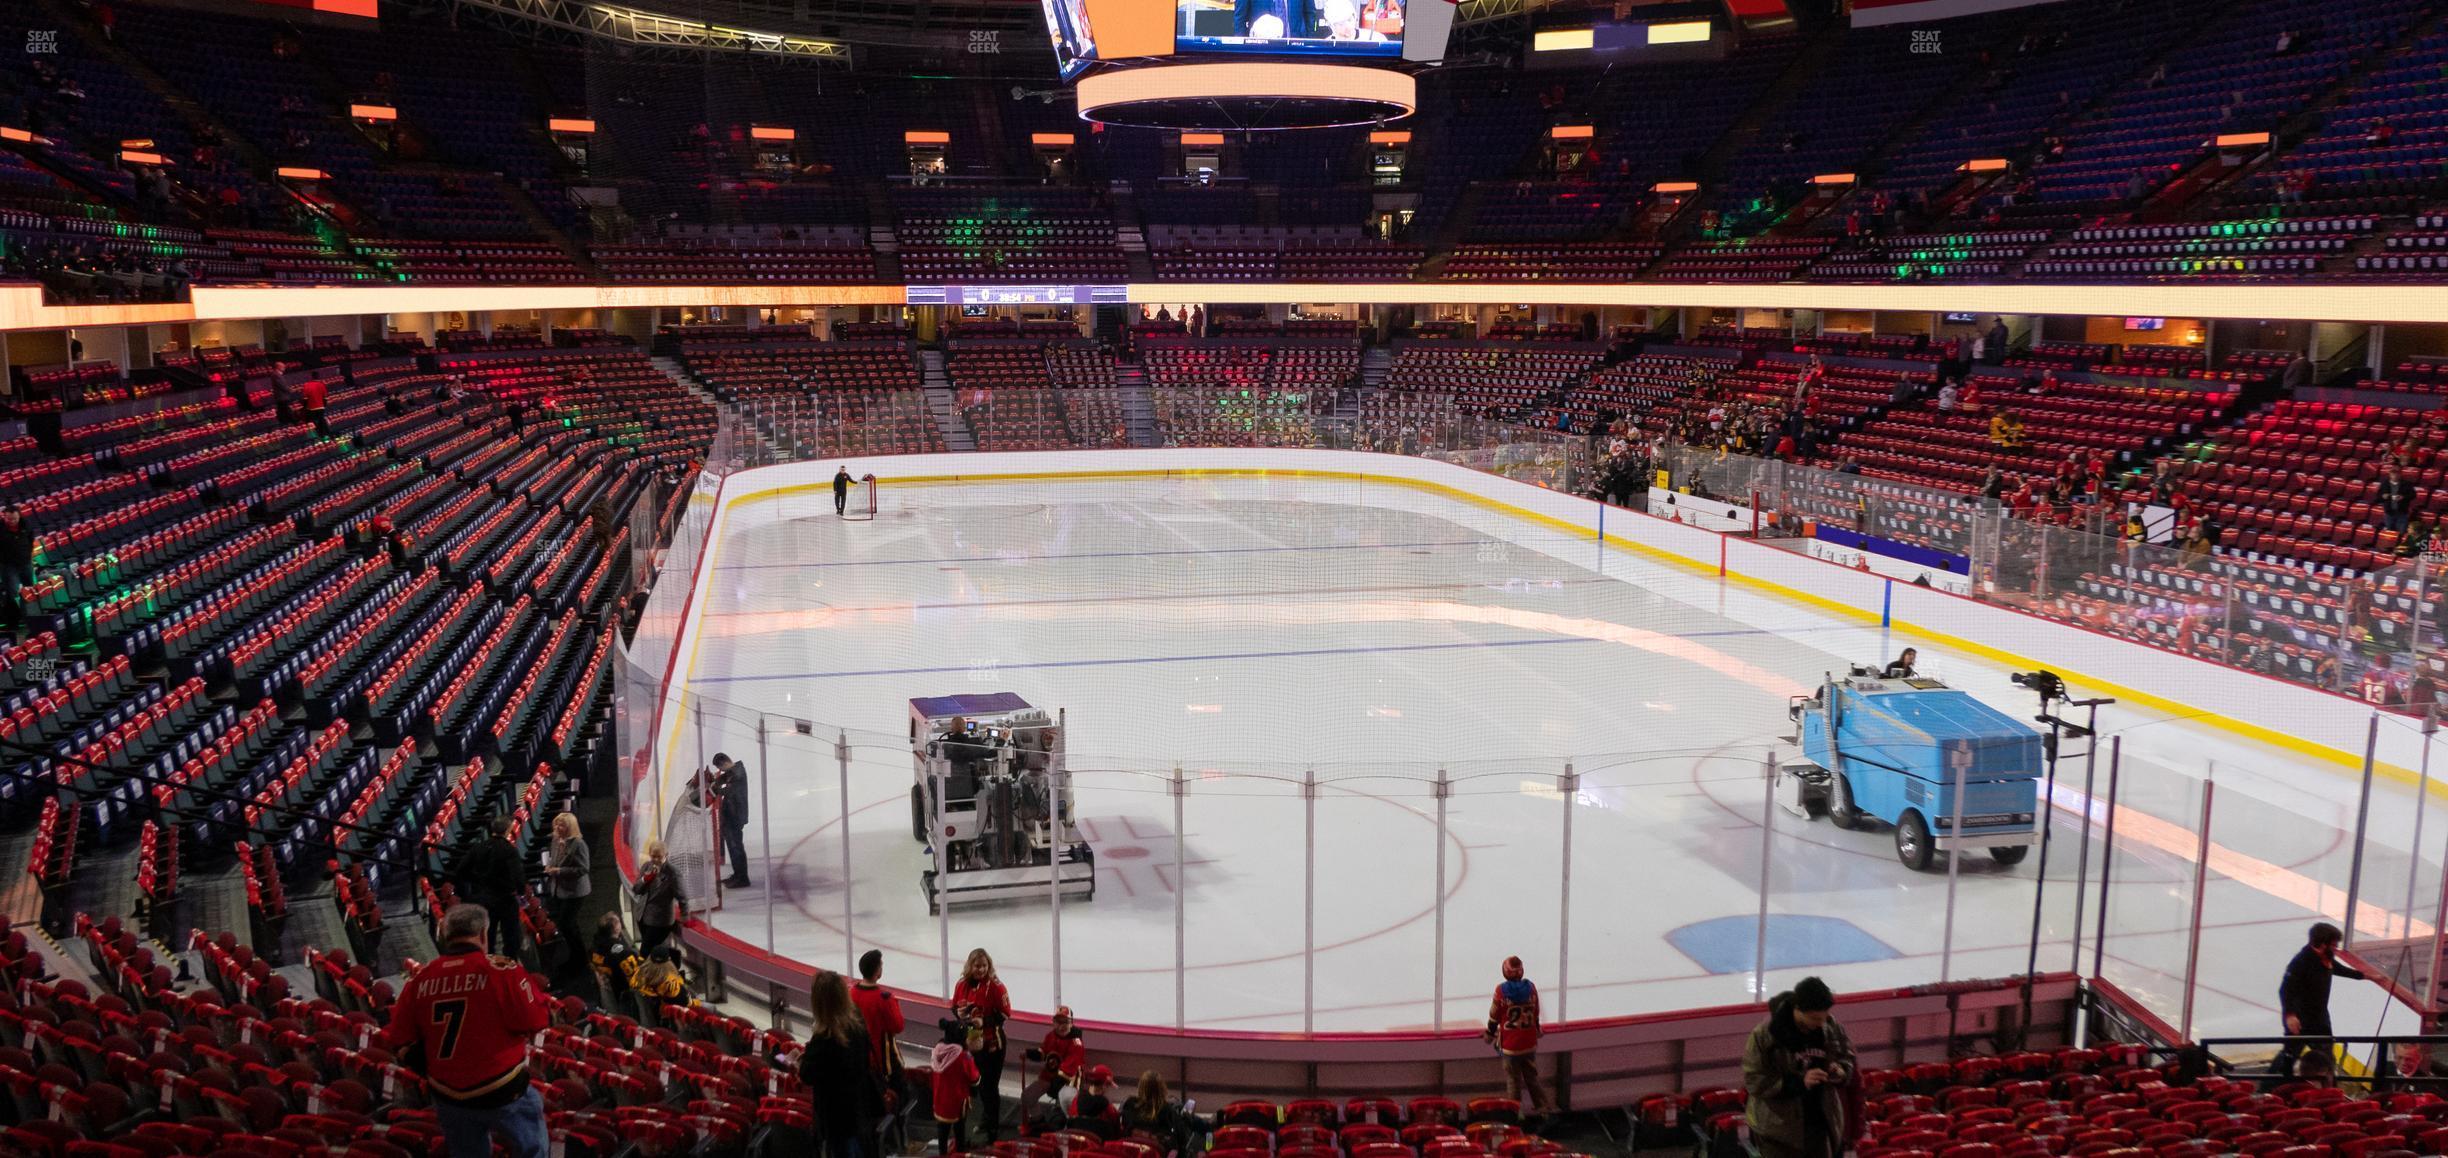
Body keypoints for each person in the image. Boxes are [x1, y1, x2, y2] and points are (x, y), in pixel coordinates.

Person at [381, 904, 553, 1158]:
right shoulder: (502, 971)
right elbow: (537, 1020)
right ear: (483, 934)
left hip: (447, 1094)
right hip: (501, 1088)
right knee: (533, 1145)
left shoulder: (421, 979)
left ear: (444, 935)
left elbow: (399, 1040)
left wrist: (433, 1068)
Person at [1742, 977, 1855, 1158]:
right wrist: (1799, 1082)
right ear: (1797, 1009)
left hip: (1821, 1123)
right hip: (1778, 1131)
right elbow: (1754, 1080)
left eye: (1824, 1017)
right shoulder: (1764, 1035)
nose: (1820, 1023)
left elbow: (1847, 1057)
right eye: (1814, 1018)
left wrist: (1841, 1071)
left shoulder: (1830, 1026)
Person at [801, 971, 884, 1158]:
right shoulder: (857, 1025)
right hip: (860, 1111)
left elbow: (807, 1074)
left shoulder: (824, 1038)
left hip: (837, 1119)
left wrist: (805, 1058)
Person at [2275, 922, 2365, 1076]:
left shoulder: (2325, 958)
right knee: (2289, 1056)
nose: (2336, 948)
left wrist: (2366, 976)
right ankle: (2271, 1086)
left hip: (2319, 1017)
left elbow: (2339, 969)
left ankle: (2328, 1087)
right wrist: (2290, 1015)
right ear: (2323, 944)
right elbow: (2285, 990)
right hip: (2300, 1018)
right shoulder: (2300, 962)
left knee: (2327, 1057)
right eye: (2334, 945)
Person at [952, 948, 1012, 1140]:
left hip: (993, 1045)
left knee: (989, 1087)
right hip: (971, 1043)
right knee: (975, 1085)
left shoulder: (996, 986)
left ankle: (992, 1127)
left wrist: (983, 1022)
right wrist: (958, 1014)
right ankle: (986, 1117)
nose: (981, 970)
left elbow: (1005, 1013)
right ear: (970, 966)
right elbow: (955, 1006)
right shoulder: (962, 984)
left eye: (984, 966)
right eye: (977, 966)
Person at [454, 814, 528, 963]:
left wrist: (477, 881)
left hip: (484, 898)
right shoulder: (509, 850)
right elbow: (518, 877)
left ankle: (489, 965)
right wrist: (520, 892)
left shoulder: (479, 847)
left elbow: (461, 870)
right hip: (505, 899)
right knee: (510, 939)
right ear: (508, 830)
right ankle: (510, 966)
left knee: (488, 936)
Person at [1485, 957, 1550, 1115]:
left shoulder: (1501, 990)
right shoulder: (1531, 987)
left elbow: (1494, 1016)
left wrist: (1489, 1033)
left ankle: (1516, 1113)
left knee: (1513, 1080)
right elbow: (1535, 1013)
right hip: (1528, 1043)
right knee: (1532, 1078)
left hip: (1510, 1046)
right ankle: (1544, 1110)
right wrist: (1537, 1028)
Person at [850, 950, 907, 1113]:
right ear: (877, 971)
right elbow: (898, 1026)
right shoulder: (884, 998)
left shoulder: (852, 993)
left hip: (860, 1058)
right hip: (883, 1062)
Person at [1017, 1005, 1088, 1130]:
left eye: (1065, 1022)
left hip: (1070, 1081)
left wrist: (1056, 1082)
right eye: (1058, 1022)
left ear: (1071, 1023)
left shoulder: (1076, 1043)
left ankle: (1070, 1127)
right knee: (1028, 1096)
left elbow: (1070, 1067)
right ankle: (1038, 1122)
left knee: (1066, 1100)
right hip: (1051, 1077)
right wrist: (1029, 1053)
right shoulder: (1050, 1036)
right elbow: (1044, 1053)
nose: (1061, 1026)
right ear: (1053, 1023)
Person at [542, 812, 590, 986]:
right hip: (559, 889)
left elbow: (583, 869)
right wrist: (550, 867)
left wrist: (559, 871)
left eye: (561, 825)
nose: (557, 828)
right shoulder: (555, 840)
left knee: (566, 924)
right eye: (556, 825)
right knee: (570, 925)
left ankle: (579, 959)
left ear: (570, 827)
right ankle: (579, 957)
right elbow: (554, 860)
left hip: (575, 892)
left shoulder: (578, 844)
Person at [1120, 1070, 1211, 1154]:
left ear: (1141, 1087)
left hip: (1130, 1152)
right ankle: (1209, 1151)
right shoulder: (1167, 1110)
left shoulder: (1129, 1104)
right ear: (1162, 1088)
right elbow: (1181, 1139)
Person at [930, 1021, 983, 1155]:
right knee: (959, 1129)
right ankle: (960, 1152)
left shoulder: (937, 1050)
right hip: (957, 1102)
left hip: (939, 1100)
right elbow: (974, 1078)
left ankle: (942, 1153)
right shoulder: (963, 1056)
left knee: (942, 1130)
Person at [631, 839, 687, 952]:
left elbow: (682, 896)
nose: (655, 860)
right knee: (652, 951)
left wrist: (685, 914)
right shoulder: (646, 866)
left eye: (659, 857)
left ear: (666, 855)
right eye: (653, 856)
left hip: (660, 921)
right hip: (642, 917)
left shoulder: (673, 872)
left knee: (645, 952)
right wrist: (645, 879)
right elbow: (636, 890)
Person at [712, 752, 754, 889]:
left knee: (736, 848)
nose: (721, 771)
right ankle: (738, 874)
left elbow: (727, 791)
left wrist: (715, 790)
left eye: (721, 768)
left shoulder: (737, 774)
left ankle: (742, 878)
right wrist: (715, 782)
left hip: (735, 816)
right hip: (731, 815)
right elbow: (721, 780)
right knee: (733, 847)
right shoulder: (733, 771)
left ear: (724, 763)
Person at [591, 912, 637, 1016]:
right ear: (616, 928)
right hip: (623, 997)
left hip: (603, 992)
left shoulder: (594, 947)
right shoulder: (623, 952)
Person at [1067, 1065, 1123, 1139]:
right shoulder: (1109, 1109)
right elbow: (1117, 1134)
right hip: (1099, 1148)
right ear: (1104, 1085)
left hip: (1077, 1147)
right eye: (1108, 1085)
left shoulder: (1075, 1102)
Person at [0, 504, 31, 630]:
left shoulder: (25, 525)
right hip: (8, 565)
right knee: (12, 593)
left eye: (14, 519)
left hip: (25, 563)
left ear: (19, 516)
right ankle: (13, 623)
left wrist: (27, 554)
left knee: (30, 591)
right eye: (9, 519)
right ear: (4, 517)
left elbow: (30, 540)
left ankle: (30, 619)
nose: (12, 521)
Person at [2379, 467, 2417, 537]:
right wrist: (2383, 496)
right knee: (2389, 533)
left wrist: (2403, 497)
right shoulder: (2385, 484)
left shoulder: (2407, 484)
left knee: (2401, 533)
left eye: (2397, 474)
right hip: (2389, 513)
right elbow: (2378, 496)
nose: (2395, 476)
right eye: (2393, 474)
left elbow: (2413, 495)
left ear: (2400, 474)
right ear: (2390, 475)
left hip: (2402, 512)